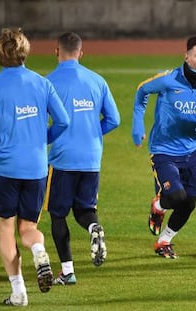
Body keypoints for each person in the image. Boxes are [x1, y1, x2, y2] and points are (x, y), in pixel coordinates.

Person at [0, 28, 69, 306]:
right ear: (25, 52)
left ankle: (19, 292)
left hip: (6, 168)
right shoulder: (42, 83)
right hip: (36, 167)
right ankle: (38, 249)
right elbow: (63, 121)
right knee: (29, 228)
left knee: (5, 230)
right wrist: (42, 138)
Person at [132, 35, 196, 259]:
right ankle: (158, 205)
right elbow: (141, 91)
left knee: (190, 201)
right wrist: (138, 125)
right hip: (163, 149)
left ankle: (164, 241)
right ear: (186, 57)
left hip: (192, 150)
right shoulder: (168, 79)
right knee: (176, 197)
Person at [45, 32, 120, 285]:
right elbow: (114, 120)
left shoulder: (47, 82)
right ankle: (93, 228)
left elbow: (38, 123)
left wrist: (46, 138)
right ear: (81, 52)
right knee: (85, 209)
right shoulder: (97, 81)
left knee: (58, 214)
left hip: (62, 158)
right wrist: (91, 133)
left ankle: (67, 272)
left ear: (56, 52)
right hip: (91, 157)